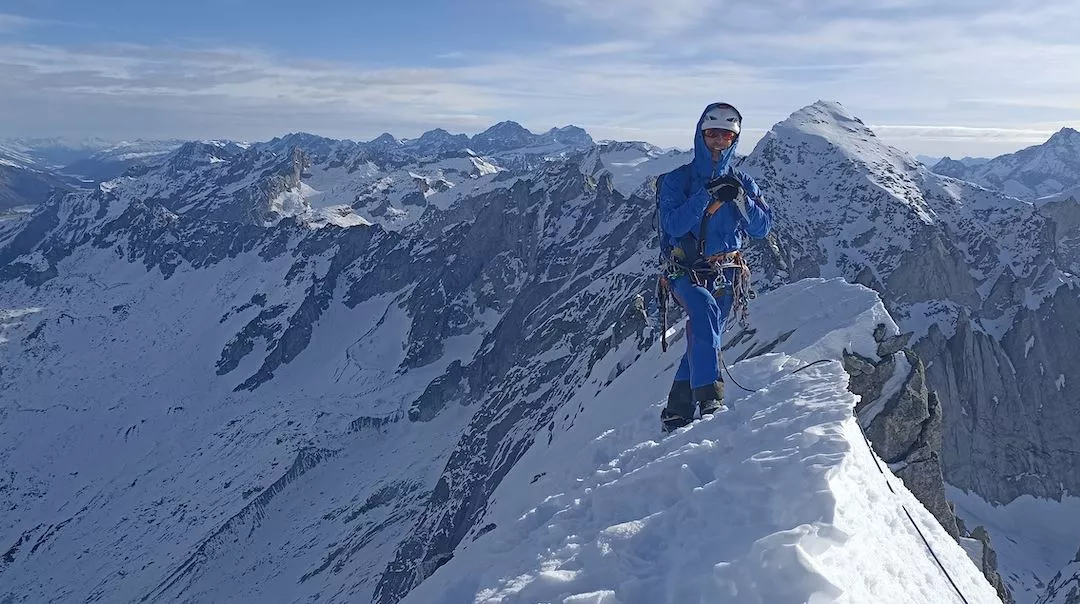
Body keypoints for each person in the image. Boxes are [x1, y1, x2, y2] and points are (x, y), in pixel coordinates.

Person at [656, 102, 772, 432]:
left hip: (727, 271)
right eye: (712, 133)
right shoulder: (678, 181)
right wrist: (706, 196)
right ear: (700, 134)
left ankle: (676, 410)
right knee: (705, 314)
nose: (719, 140)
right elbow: (673, 225)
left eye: (726, 134)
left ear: (735, 138)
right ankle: (710, 397)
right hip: (684, 270)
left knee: (704, 335)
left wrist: (739, 199)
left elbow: (762, 228)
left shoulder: (743, 183)